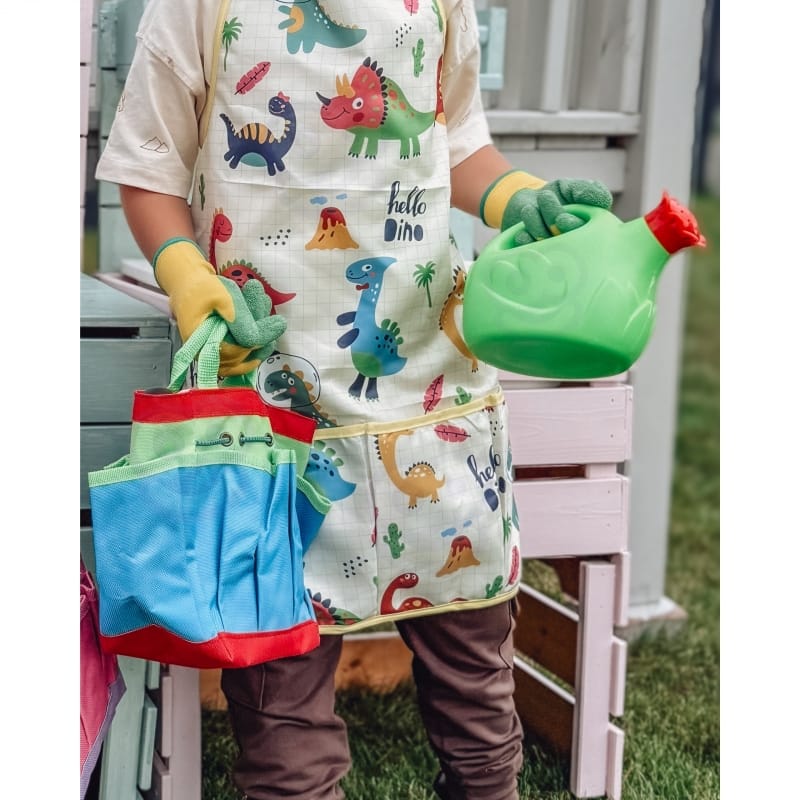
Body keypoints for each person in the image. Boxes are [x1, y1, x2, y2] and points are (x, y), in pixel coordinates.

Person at [95, 1, 612, 798]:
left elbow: (456, 141)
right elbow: (149, 165)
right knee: (284, 724)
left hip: (433, 390)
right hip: (274, 400)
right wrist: (184, 271)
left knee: (478, 686)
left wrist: (516, 198)